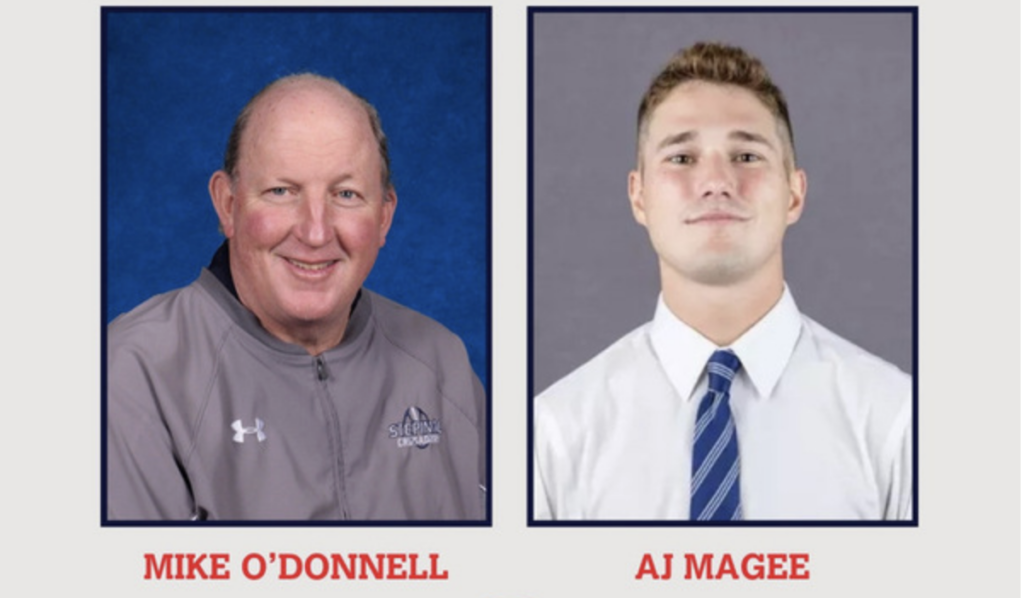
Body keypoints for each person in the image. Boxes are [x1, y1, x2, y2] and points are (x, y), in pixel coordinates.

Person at [533, 43, 912, 521]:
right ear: (639, 196)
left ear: (794, 194)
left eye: (747, 155)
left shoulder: (897, 422)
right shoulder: (553, 433)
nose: (716, 181)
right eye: (682, 158)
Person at [107, 73, 486, 521]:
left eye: (346, 194)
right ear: (228, 204)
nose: (315, 231)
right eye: (282, 192)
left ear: (384, 217)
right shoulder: (133, 374)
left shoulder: (441, 363)